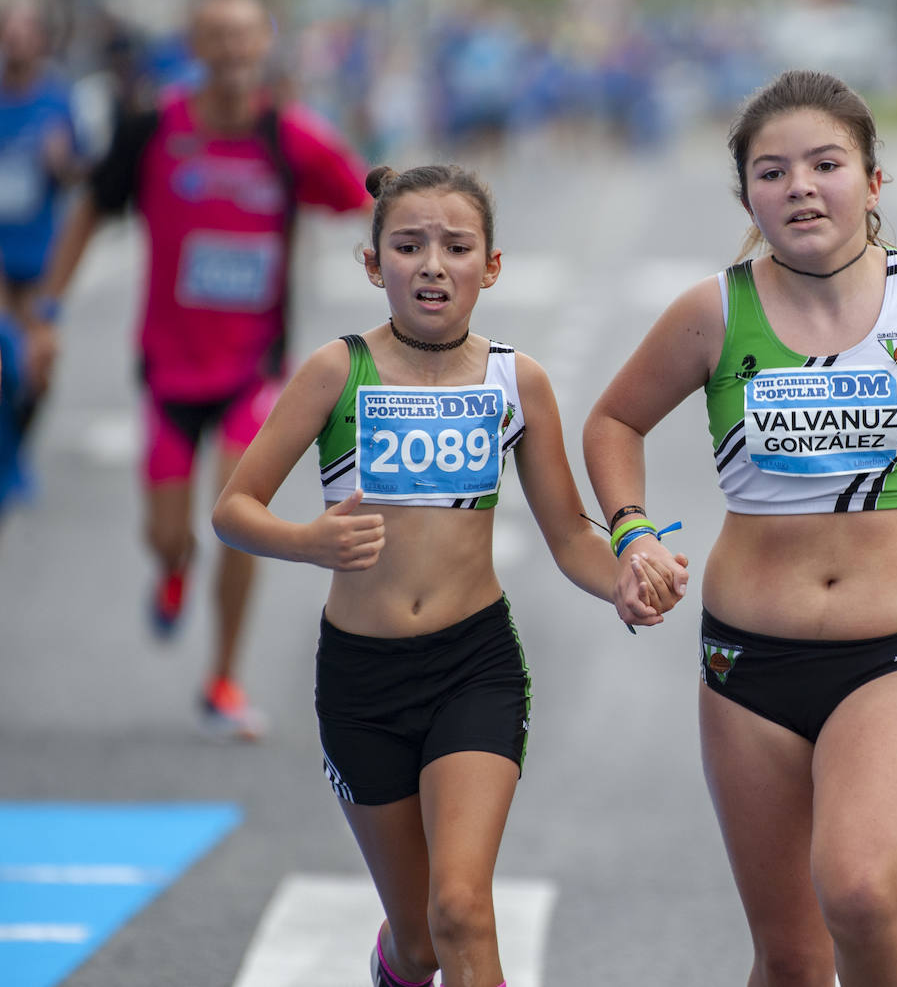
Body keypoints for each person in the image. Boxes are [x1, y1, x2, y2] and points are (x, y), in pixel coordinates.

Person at [583, 69, 897, 986]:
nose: (800, 185)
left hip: (894, 653)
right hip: (746, 666)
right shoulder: (713, 312)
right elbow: (612, 422)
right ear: (747, 197)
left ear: (873, 183)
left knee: (858, 891)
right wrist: (633, 532)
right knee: (791, 959)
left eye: (826, 163)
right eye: (772, 172)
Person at [212, 162, 687, 987]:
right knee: (421, 938)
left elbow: (568, 533)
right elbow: (234, 508)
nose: (432, 263)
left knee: (462, 907)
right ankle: (394, 966)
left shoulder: (515, 379)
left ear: (490, 266)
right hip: (362, 677)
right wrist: (308, 540)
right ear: (373, 264)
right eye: (408, 245)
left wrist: (622, 574)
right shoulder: (337, 371)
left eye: (456, 246)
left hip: (475, 663)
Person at [32, 0, 371, 739]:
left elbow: (363, 198)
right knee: (166, 532)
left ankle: (222, 677)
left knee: (238, 514)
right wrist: (49, 310)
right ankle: (172, 567)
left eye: (243, 37)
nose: (230, 50)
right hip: (168, 371)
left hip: (253, 371)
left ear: (264, 44)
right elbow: (92, 209)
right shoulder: (153, 130)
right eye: (216, 36)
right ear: (195, 43)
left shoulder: (291, 138)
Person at [0, 0, 84, 521]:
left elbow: (80, 174)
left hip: (43, 251)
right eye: (10, 28)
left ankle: (16, 450)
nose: (17, 38)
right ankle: (8, 463)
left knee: (38, 365)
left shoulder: (58, 99)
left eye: (27, 29)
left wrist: (62, 160)